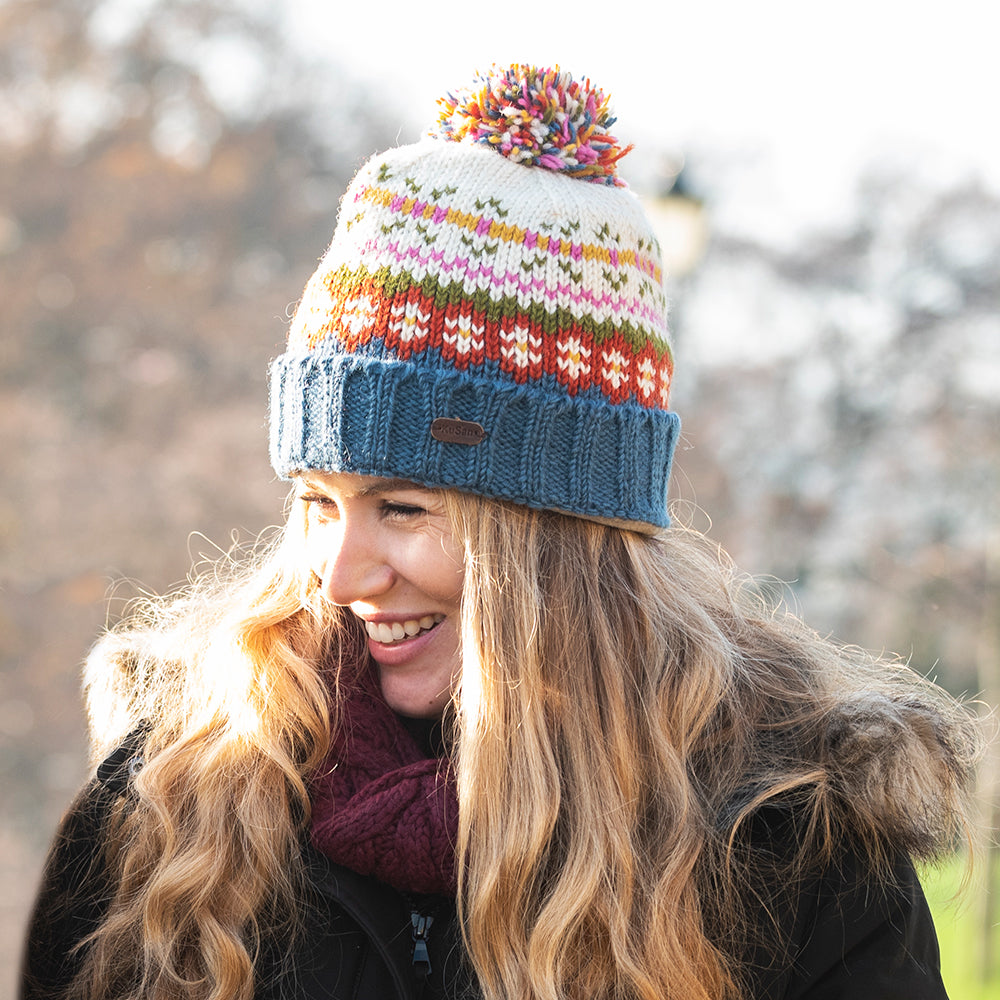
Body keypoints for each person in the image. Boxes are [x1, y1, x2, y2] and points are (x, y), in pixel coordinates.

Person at [20, 64, 982, 1000]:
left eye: (402, 508)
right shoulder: (176, 801)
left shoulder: (781, 842)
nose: (341, 572)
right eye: (316, 502)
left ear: (557, 539)